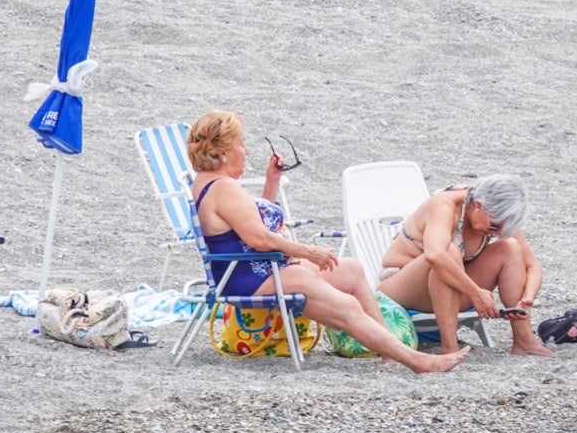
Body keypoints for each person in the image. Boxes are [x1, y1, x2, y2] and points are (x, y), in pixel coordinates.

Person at [187, 110, 470, 373]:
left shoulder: (212, 183)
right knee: (347, 307)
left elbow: (253, 225)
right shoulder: (224, 188)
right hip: (251, 276)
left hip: (259, 268)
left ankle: (390, 352)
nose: (246, 150)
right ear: (223, 153)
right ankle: (418, 362)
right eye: (242, 144)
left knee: (351, 270)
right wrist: (308, 252)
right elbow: (259, 238)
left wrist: (271, 181)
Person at [376, 174, 554, 357]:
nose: (494, 233)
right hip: (402, 288)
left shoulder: (498, 215)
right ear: (478, 206)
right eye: (493, 227)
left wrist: (527, 300)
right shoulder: (445, 205)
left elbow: (532, 265)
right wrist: (475, 292)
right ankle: (449, 348)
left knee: (510, 247)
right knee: (448, 252)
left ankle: (524, 341)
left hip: (451, 288)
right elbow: (434, 255)